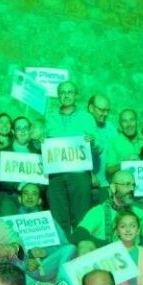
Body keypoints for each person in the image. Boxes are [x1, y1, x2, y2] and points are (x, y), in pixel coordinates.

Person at [45, 81, 98, 236]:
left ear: (76, 95)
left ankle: (81, 251)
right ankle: (63, 253)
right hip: (55, 175)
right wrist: (38, 141)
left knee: (81, 216)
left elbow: (99, 145)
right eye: (62, 92)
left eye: (69, 92)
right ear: (58, 96)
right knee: (58, 216)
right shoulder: (50, 118)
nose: (66, 95)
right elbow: (41, 145)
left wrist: (93, 141)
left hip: (79, 174)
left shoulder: (86, 118)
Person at [15, 182, 77, 285]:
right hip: (23, 270)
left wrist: (45, 251)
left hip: (45, 266)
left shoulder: (49, 221)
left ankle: (60, 284)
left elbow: (64, 245)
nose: (29, 197)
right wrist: (26, 261)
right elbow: (8, 249)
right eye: (26, 193)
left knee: (71, 248)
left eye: (34, 194)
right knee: (5, 256)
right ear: (20, 198)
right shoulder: (9, 223)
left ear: (39, 201)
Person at [73, 170, 143, 255]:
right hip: (105, 258)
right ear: (113, 188)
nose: (131, 189)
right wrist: (113, 247)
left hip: (132, 258)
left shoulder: (139, 212)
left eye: (133, 185)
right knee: (85, 245)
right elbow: (77, 235)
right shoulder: (98, 211)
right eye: (127, 184)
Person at [103, 108, 142, 182]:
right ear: (120, 124)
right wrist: (125, 164)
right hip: (124, 187)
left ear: (137, 121)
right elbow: (109, 170)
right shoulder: (113, 142)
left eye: (132, 120)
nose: (129, 124)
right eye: (125, 121)